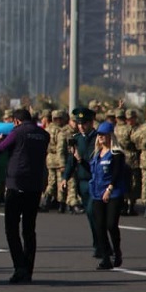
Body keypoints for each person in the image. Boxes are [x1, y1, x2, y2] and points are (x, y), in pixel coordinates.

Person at [0, 108, 49, 284]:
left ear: (16, 121)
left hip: (17, 185)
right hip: (35, 185)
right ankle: (28, 270)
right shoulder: (43, 134)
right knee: (29, 229)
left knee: (11, 228)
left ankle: (20, 267)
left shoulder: (17, 133)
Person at [88, 120, 129, 269]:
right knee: (99, 226)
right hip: (98, 193)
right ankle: (106, 257)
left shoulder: (116, 153)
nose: (101, 137)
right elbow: (90, 172)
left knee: (111, 224)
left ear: (111, 136)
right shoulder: (96, 154)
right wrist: (78, 159)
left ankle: (117, 251)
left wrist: (110, 188)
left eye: (104, 135)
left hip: (113, 193)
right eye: (99, 135)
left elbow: (118, 172)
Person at [63, 107, 99, 253]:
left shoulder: (97, 138)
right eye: (79, 123)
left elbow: (93, 160)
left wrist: (80, 159)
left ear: (91, 123)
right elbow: (71, 161)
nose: (81, 126)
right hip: (82, 182)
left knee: (92, 212)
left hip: (95, 181)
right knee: (90, 215)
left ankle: (100, 245)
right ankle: (98, 242)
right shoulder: (77, 138)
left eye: (84, 123)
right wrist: (65, 177)